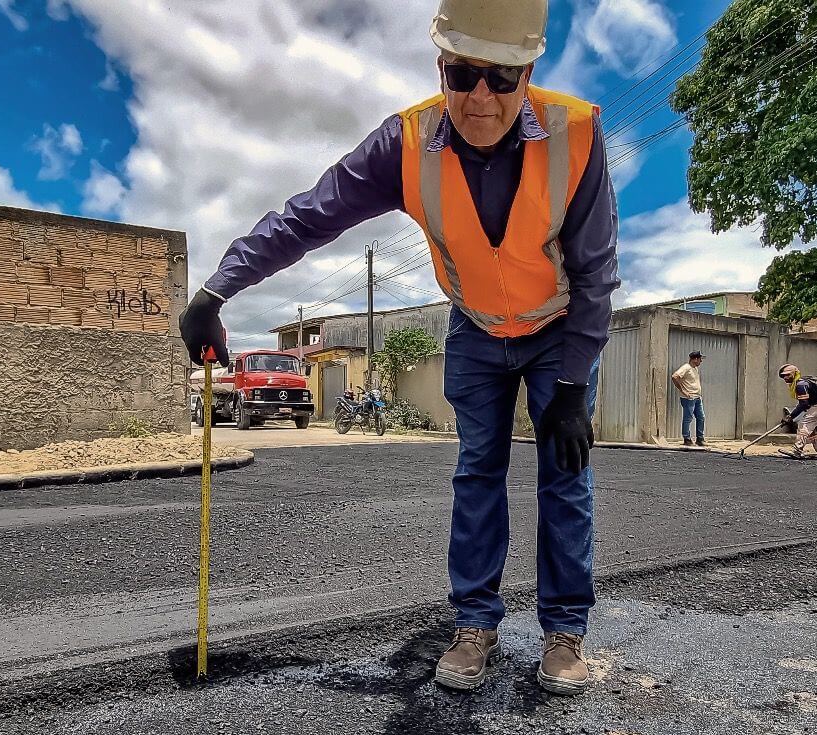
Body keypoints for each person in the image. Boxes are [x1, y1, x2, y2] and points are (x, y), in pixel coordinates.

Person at [177, 0, 619, 696]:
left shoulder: (578, 134)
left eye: (501, 79)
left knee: (565, 474)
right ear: (439, 65)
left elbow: (596, 275)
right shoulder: (405, 144)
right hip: (475, 327)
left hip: (561, 325)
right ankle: (475, 623)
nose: (479, 97)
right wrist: (217, 290)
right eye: (462, 74)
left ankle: (565, 632)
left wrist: (570, 388)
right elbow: (308, 216)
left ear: (528, 71)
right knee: (478, 471)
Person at [776, 364, 817, 460]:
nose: (785, 378)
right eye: (783, 376)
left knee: (804, 424)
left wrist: (791, 416)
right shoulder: (798, 384)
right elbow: (804, 404)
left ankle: (797, 449)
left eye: (788, 375)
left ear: (794, 374)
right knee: (813, 429)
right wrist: (791, 416)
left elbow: (803, 404)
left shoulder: (800, 385)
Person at [671, 350, 705, 446]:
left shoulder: (694, 368)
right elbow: (675, 376)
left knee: (701, 417)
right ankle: (687, 439)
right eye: (700, 359)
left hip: (697, 397)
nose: (700, 361)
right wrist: (683, 391)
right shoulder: (686, 367)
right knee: (688, 418)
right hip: (689, 398)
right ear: (695, 359)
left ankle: (700, 438)